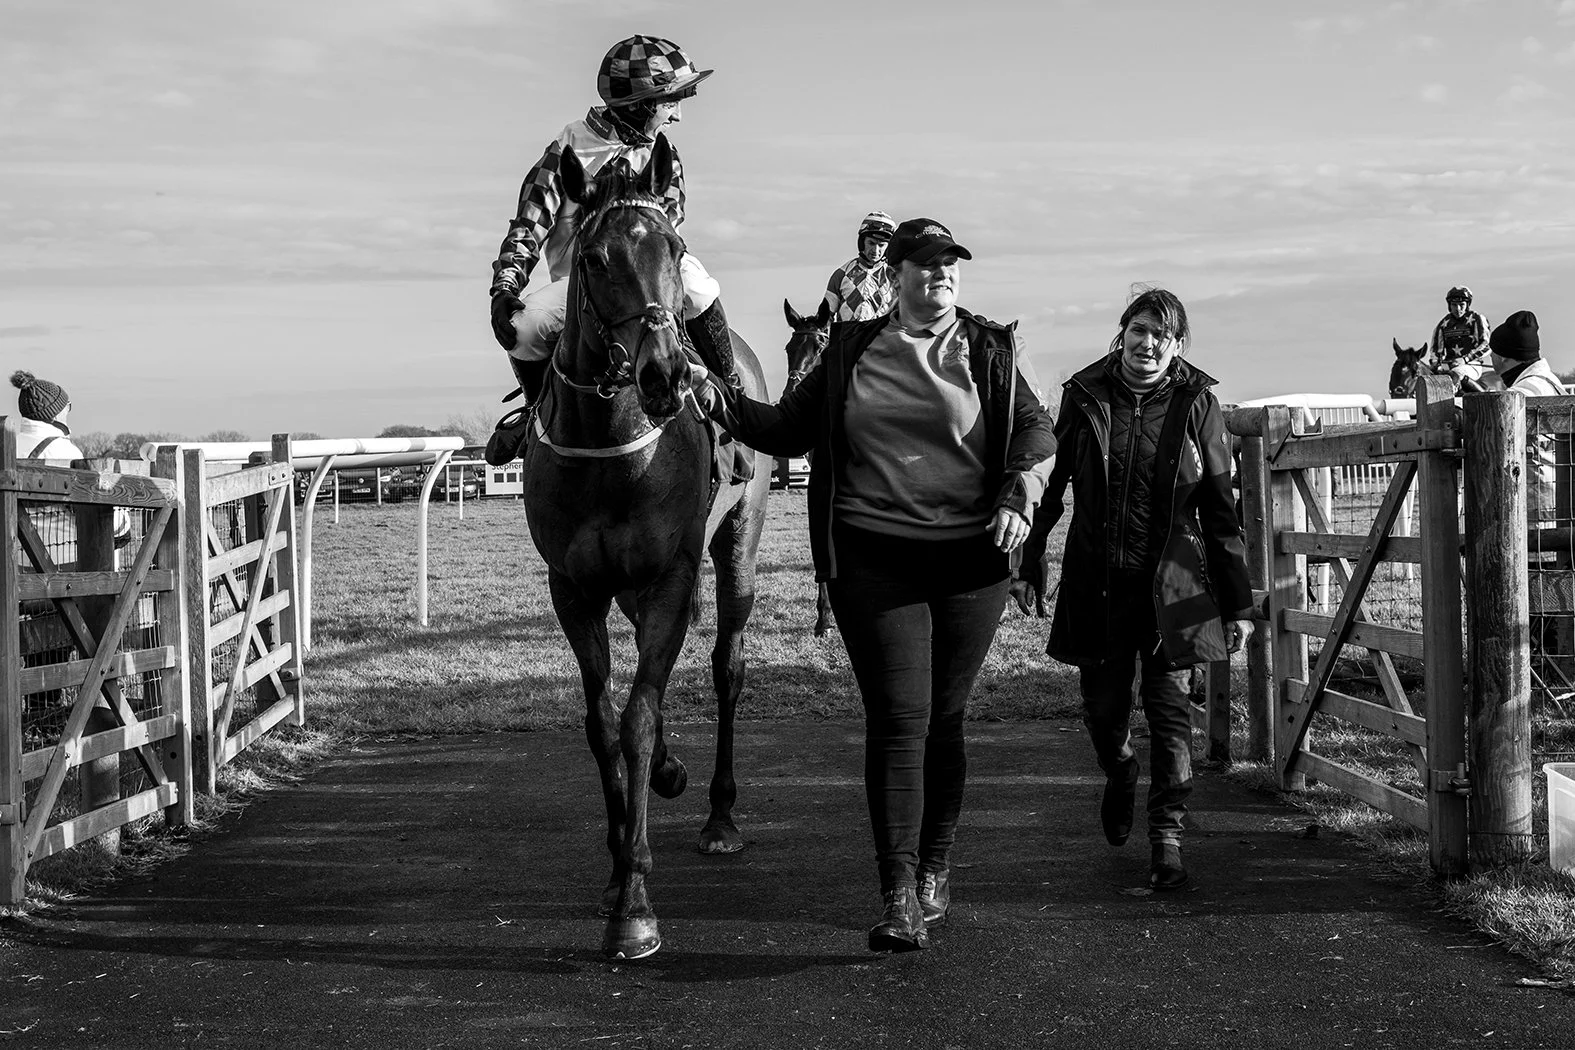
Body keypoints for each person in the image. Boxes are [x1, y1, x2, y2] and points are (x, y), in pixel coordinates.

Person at [704, 218, 1056, 951]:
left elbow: (1033, 427)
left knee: (945, 719)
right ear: (895, 275)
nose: (941, 275)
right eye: (925, 265)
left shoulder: (988, 346)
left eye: (950, 265)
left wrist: (1022, 487)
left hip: (971, 559)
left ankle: (934, 869)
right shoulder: (850, 350)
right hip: (875, 558)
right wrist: (713, 397)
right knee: (900, 717)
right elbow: (779, 429)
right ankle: (896, 890)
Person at [1014, 288, 1254, 892]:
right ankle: (1120, 771)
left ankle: (1167, 839)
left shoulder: (1199, 403)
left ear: (1177, 346)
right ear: (1123, 332)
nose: (1148, 344)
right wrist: (1030, 555)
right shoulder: (1085, 396)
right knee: (1104, 716)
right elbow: (1052, 484)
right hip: (1099, 583)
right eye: (1140, 330)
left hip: (1179, 585)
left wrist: (1238, 603)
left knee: (1172, 717)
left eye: (1162, 336)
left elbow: (1222, 510)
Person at [484, 35, 736, 465]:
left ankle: (729, 397)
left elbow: (669, 228)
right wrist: (503, 288)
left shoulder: (664, 155)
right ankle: (535, 412)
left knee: (699, 290)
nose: (676, 114)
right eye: (671, 102)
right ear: (641, 104)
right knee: (524, 332)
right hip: (580, 285)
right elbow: (529, 224)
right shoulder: (566, 150)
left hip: (653, 281)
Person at [1487, 310, 1562, 522]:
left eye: (1492, 353)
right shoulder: (1551, 383)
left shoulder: (1519, 394)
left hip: (1533, 506)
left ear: (1502, 358)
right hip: (1560, 498)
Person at [822, 212, 897, 322]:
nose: (876, 251)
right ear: (862, 242)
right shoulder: (841, 274)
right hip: (847, 337)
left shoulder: (894, 276)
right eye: (871, 243)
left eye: (881, 245)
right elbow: (825, 316)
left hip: (881, 337)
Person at [10, 370, 84, 461]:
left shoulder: (8, 448)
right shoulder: (69, 452)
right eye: (68, 406)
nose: (68, 411)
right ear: (55, 414)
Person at [1429, 286, 1492, 392]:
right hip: (1448, 367)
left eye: (1461, 305)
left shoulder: (1477, 319)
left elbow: (1486, 345)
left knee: (1456, 374)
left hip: (1471, 365)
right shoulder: (1443, 324)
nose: (1458, 309)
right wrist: (1435, 364)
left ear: (1467, 305)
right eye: (1454, 305)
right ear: (1449, 305)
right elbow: (1435, 351)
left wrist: (1464, 359)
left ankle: (1483, 399)